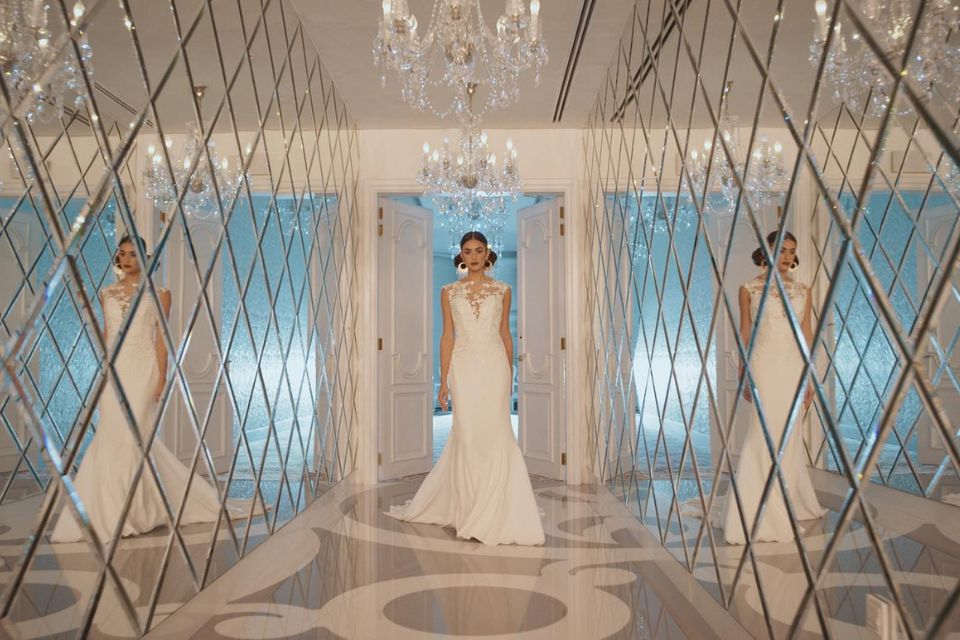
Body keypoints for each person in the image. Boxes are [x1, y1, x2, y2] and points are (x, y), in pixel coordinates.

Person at [51, 234, 242, 543]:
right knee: (111, 436)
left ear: (145, 259)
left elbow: (162, 340)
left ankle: (135, 511)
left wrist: (162, 377)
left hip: (143, 371)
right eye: (122, 254)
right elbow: (106, 333)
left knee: (135, 438)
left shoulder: (160, 293)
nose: (126, 259)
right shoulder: (107, 293)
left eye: (133, 254)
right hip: (114, 372)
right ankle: (106, 511)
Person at [385, 231, 545, 546]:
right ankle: (470, 507)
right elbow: (447, 337)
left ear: (488, 255)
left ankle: (498, 510)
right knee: (469, 436)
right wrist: (443, 380)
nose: (473, 256)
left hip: (495, 368)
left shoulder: (503, 290)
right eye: (468, 251)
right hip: (464, 368)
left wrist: (510, 373)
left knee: (497, 434)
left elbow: (505, 335)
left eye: (479, 250)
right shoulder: (449, 292)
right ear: (461, 255)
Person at [719, 230, 827, 544]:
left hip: (793, 366)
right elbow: (746, 330)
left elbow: (807, 333)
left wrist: (809, 374)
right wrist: (743, 370)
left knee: (790, 436)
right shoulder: (748, 288)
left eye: (792, 251)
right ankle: (754, 510)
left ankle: (787, 498)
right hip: (763, 364)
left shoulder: (803, 290)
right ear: (767, 252)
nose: (788, 257)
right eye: (782, 250)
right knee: (762, 433)